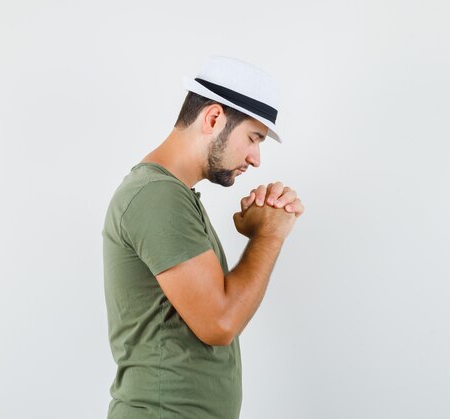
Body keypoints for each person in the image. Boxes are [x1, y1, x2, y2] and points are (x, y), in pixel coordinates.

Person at [102, 56, 304, 419]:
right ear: (213, 119)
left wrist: (262, 231)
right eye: (253, 138)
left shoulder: (173, 195)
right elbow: (219, 323)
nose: (256, 159)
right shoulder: (156, 196)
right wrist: (269, 235)